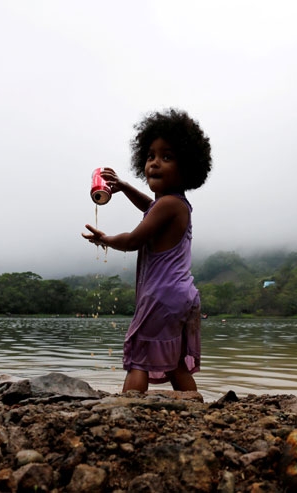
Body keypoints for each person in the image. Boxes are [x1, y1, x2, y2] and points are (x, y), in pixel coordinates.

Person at [82, 109, 212, 393]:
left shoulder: (167, 206)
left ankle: (128, 407)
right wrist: (125, 187)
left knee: (139, 357)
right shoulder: (173, 205)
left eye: (167, 157)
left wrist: (105, 239)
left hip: (161, 295)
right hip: (180, 295)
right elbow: (148, 207)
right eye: (151, 156)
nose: (155, 163)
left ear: (187, 168)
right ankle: (192, 404)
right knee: (174, 360)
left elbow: (132, 241)